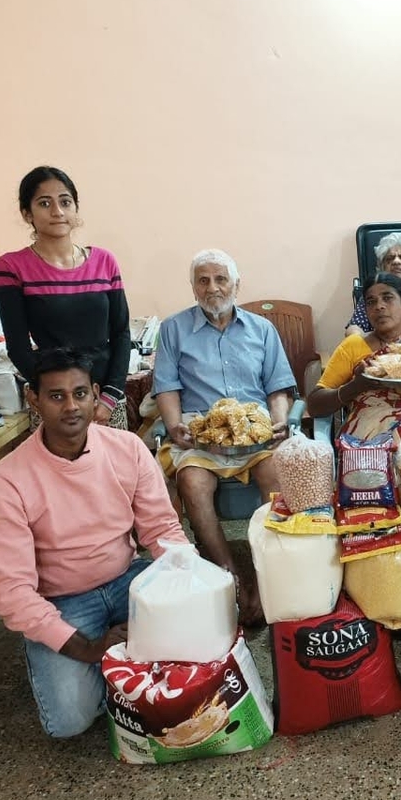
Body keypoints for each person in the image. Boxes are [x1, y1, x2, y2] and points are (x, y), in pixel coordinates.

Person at [0, 347, 188, 738]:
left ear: (95, 394)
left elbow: (162, 530)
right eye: (56, 396)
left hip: (129, 579)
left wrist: (191, 580)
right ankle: (110, 659)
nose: (71, 406)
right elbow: (10, 591)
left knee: (209, 620)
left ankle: (122, 657)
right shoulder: (6, 481)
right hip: (62, 602)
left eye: (79, 393)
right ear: (34, 399)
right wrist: (86, 648)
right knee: (69, 722)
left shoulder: (126, 449)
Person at [153, 249, 297, 624]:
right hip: (200, 433)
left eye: (221, 279)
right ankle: (228, 577)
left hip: (255, 431)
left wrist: (279, 422)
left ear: (237, 284)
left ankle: (271, 576)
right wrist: (173, 426)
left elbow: (278, 387)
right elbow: (166, 388)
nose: (212, 288)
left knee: (275, 476)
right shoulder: (173, 329)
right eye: (203, 280)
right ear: (193, 287)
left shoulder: (262, 329)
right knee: (192, 482)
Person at [0, 166, 131, 427]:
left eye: (65, 202)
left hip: (105, 398)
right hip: (55, 404)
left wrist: (109, 397)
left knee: (114, 467)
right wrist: (56, 398)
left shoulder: (104, 261)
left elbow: (122, 333)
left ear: (75, 208)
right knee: (56, 468)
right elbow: (18, 347)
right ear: (27, 213)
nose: (57, 211)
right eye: (44, 203)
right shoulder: (11, 267)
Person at [310, 273, 401, 441]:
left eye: (387, 298)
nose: (379, 306)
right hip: (365, 438)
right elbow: (315, 406)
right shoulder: (353, 346)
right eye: (371, 302)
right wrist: (356, 386)